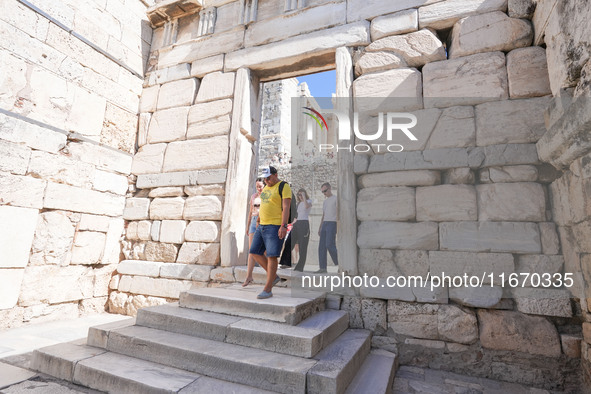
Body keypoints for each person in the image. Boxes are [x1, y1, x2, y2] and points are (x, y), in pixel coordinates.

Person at [249, 166, 292, 299]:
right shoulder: (266, 187)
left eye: (269, 177)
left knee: (272, 256)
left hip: (275, 225)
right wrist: (259, 220)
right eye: (265, 178)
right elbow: (264, 206)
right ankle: (273, 276)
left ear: (275, 174)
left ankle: (268, 289)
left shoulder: (283, 186)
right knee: (254, 252)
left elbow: (286, 207)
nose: (267, 180)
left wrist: (283, 226)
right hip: (262, 225)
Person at [242, 178, 265, 287]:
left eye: (260, 186)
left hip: (263, 223)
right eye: (257, 186)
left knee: (264, 252)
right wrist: (247, 226)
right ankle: (249, 277)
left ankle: (271, 274)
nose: (259, 188)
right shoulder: (254, 197)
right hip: (253, 224)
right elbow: (251, 212)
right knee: (251, 251)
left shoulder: (267, 196)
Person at [317, 182, 338, 273]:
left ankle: (339, 263)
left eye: (325, 191)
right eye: (322, 192)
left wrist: (338, 225)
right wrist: (320, 227)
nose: (324, 193)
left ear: (330, 189)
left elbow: (339, 213)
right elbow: (324, 214)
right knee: (321, 246)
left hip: (332, 223)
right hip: (325, 223)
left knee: (329, 244)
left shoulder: (336, 199)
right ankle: (323, 268)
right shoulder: (325, 202)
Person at [293, 189, 312, 272]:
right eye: (299, 195)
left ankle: (300, 267)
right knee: (291, 242)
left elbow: (307, 206)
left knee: (302, 246)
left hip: (304, 224)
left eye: (301, 194)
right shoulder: (299, 203)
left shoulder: (308, 201)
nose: (300, 196)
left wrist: (304, 196)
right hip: (297, 223)